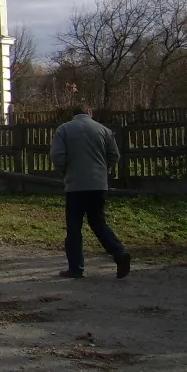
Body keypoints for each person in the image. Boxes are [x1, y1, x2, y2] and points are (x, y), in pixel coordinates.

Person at [49, 103, 131, 279]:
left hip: (75, 185)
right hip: (98, 184)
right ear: (89, 113)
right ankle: (120, 253)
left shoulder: (64, 130)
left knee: (74, 227)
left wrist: (65, 171)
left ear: (73, 115)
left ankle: (76, 268)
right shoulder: (104, 130)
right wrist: (102, 169)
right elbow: (114, 155)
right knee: (99, 223)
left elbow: (57, 156)